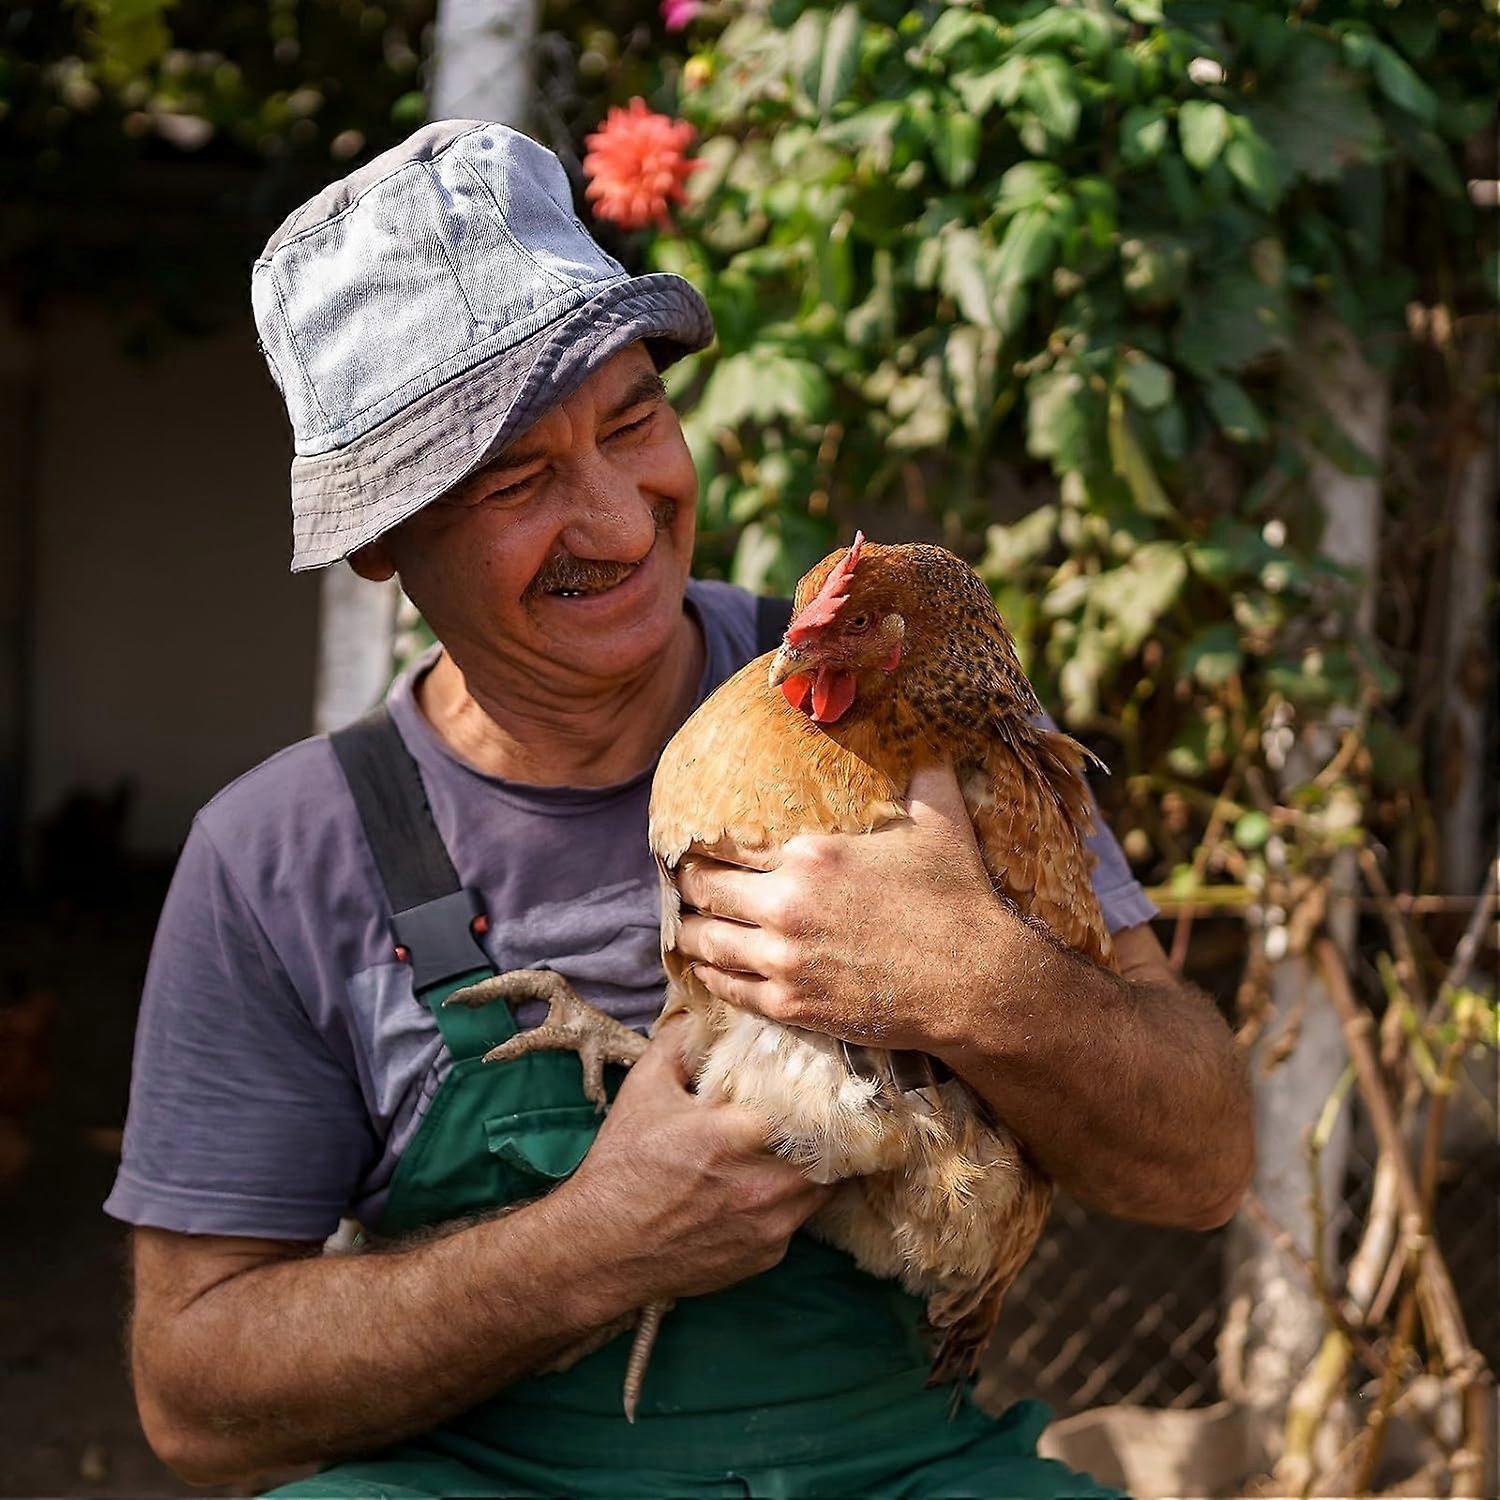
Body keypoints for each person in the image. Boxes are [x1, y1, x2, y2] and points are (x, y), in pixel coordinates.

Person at [108, 121, 1253, 1499]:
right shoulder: (282, 854)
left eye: (634, 419)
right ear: (382, 540)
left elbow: (1205, 1168)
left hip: (890, 1465)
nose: (618, 513)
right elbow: (192, 1397)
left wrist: (989, 988)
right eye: (517, 478)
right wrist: (585, 1248)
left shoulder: (889, 686)